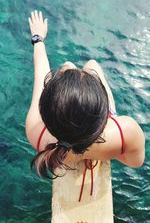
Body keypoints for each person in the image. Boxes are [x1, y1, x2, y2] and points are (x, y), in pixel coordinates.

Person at [26, 10, 145, 179]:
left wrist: (38, 39)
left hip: (76, 135)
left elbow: (41, 73)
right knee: (92, 65)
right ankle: (86, 71)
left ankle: (71, 70)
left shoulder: (36, 133)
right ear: (103, 112)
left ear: (45, 113)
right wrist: (101, 152)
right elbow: (135, 162)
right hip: (105, 134)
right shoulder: (125, 130)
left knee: (67, 66)